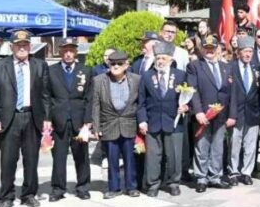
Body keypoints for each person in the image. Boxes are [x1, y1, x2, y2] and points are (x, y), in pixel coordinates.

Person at [0, 30, 50, 207]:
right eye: (18, 45)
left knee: (31, 159)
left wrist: (47, 118)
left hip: (32, 117)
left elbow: (46, 95)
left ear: (30, 47)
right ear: (11, 47)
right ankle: (6, 196)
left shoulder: (40, 65)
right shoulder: (0, 66)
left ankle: (29, 194)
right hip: (10, 118)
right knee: (8, 160)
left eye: (25, 45)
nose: (22, 48)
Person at [137, 42, 189, 197]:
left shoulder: (180, 75)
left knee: (174, 156)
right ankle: (153, 184)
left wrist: (186, 107)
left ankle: (173, 183)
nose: (160, 61)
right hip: (152, 123)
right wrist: (142, 120)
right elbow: (141, 102)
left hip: (173, 122)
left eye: (163, 58)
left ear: (171, 60)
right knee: (153, 157)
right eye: (158, 58)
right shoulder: (146, 76)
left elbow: (189, 97)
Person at [45, 39, 92, 202]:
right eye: (65, 50)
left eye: (71, 50)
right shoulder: (51, 71)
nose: (68, 53)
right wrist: (48, 118)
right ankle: (58, 189)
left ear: (76, 52)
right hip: (59, 121)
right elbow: (46, 97)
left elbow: (89, 98)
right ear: (60, 52)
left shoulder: (85, 70)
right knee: (58, 157)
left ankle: (83, 187)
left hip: (79, 121)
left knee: (82, 156)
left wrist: (88, 120)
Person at [90, 50, 141, 198]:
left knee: (130, 159)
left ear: (126, 65)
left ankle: (131, 187)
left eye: (119, 63)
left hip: (129, 123)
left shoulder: (136, 80)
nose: (116, 66)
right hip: (108, 124)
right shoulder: (99, 80)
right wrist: (96, 127)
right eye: (113, 63)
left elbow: (140, 103)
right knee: (111, 159)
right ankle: (114, 188)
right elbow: (95, 105)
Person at [188, 35, 232, 192]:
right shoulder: (195, 66)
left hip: (220, 115)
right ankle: (201, 177)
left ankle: (215, 176)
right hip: (203, 115)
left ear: (217, 49)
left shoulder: (226, 67)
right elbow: (193, 91)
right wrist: (198, 112)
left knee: (218, 147)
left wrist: (231, 114)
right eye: (206, 48)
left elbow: (230, 92)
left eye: (212, 48)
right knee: (202, 146)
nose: (209, 51)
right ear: (202, 49)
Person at [227, 36, 260, 186]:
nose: (248, 54)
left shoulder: (255, 68)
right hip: (236, 112)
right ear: (238, 52)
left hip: (252, 112)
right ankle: (233, 172)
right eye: (245, 51)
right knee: (234, 144)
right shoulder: (230, 68)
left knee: (250, 144)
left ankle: (246, 172)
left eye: (250, 52)